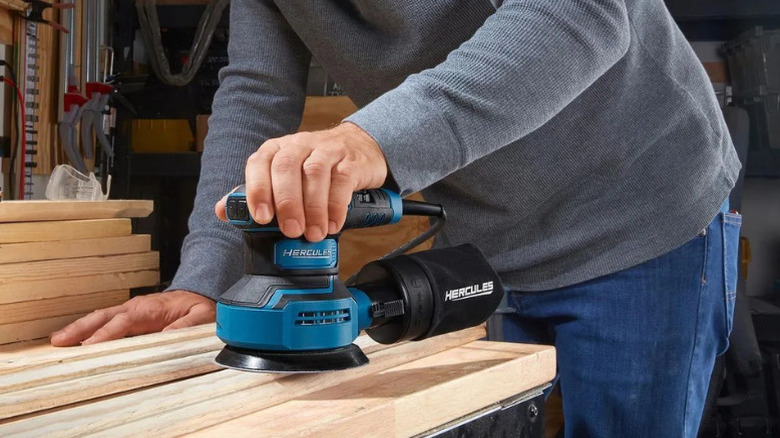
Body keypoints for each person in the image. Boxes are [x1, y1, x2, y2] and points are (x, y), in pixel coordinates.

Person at [51, 1, 742, 436]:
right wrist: (205, 277)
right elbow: (258, 91)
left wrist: (368, 140)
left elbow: (579, 16)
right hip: (491, 240)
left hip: (639, 213)